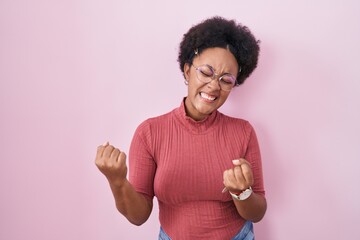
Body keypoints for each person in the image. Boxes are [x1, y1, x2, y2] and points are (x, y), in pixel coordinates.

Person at [95, 16, 267, 240]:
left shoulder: (243, 132)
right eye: (206, 73)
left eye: (226, 80)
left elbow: (258, 212)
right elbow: (138, 216)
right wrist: (117, 181)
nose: (214, 85)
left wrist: (242, 192)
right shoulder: (150, 133)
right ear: (187, 71)